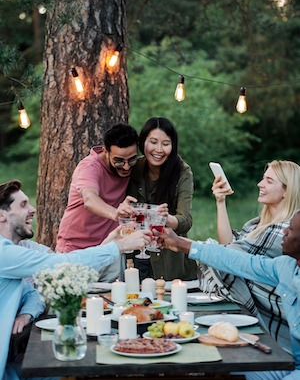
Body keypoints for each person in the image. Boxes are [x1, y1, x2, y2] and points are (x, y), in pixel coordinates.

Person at [0, 179, 152, 380]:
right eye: (23, 205)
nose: (33, 209)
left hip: (13, 358)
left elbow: (33, 292)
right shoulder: (4, 253)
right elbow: (63, 265)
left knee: (67, 365)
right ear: (2, 215)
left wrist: (27, 313)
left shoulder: (15, 253)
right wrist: (119, 246)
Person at [155, 209, 300, 380]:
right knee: (226, 372)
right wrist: (180, 244)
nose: (284, 231)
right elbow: (239, 261)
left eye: (290, 229)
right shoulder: (286, 267)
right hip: (292, 363)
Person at [199, 160, 300, 353]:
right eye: (263, 179)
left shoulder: (282, 232)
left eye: (269, 181)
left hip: (276, 329)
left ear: (287, 190)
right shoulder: (259, 224)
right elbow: (227, 246)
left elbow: (228, 255)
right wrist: (221, 202)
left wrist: (192, 247)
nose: (260, 184)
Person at [56, 123, 139, 282]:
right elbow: (89, 199)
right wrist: (115, 213)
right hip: (77, 251)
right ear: (106, 151)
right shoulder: (89, 167)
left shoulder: (133, 165)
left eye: (132, 159)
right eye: (119, 161)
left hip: (110, 250)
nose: (126, 166)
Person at [127, 117, 197, 281]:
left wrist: (166, 219)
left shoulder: (182, 171)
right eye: (153, 142)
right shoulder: (133, 167)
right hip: (137, 251)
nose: (159, 150)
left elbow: (185, 220)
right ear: (143, 141)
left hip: (169, 256)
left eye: (165, 144)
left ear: (172, 147)